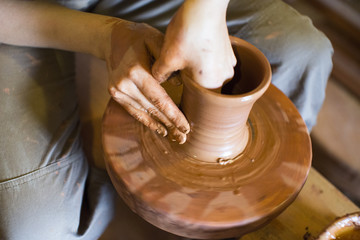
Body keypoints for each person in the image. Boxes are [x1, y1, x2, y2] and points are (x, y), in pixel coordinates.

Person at [0, 0, 333, 239]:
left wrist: (206, 11)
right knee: (40, 228)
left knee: (302, 52)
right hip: (22, 13)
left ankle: (250, 203)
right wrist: (104, 37)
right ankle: (104, 175)